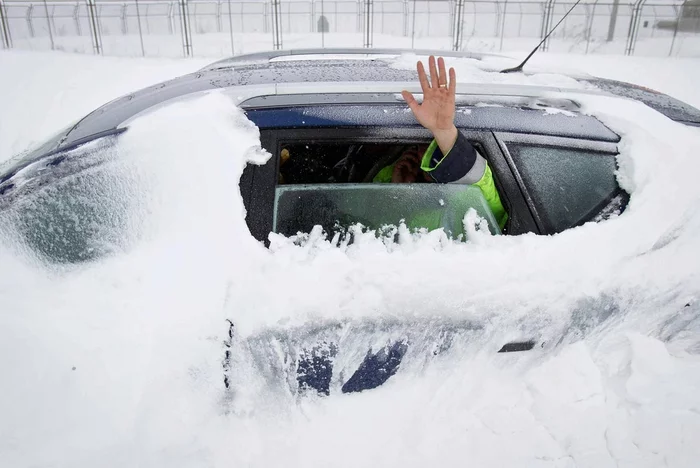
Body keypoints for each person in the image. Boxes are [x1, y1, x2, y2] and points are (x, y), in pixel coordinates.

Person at [374, 56, 507, 229]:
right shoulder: (387, 178)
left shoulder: (470, 207)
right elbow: (369, 226)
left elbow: (478, 190)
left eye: (435, 150)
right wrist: (398, 192)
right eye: (417, 147)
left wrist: (443, 131)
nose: (423, 156)